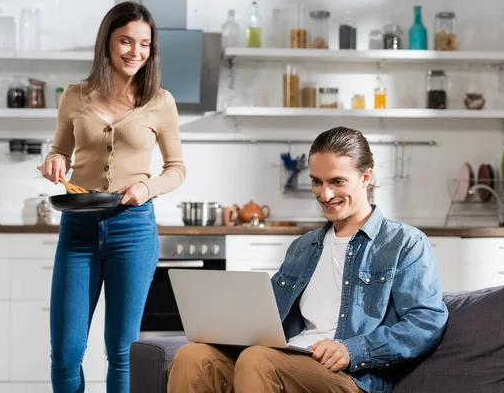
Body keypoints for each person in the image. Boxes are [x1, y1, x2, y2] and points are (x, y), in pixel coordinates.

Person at [167, 126, 447, 393]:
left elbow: (426, 322)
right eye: (317, 182)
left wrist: (352, 350)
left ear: (366, 177)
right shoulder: (303, 247)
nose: (325, 195)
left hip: (351, 376)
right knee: (193, 356)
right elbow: (269, 319)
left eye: (337, 181)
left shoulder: (404, 242)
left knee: (259, 360)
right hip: (289, 358)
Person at [40, 1, 186, 393]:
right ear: (107, 42)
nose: (135, 52)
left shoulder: (161, 102)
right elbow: (60, 150)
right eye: (125, 41)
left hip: (133, 230)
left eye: (144, 44)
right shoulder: (74, 95)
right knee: (66, 352)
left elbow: (177, 169)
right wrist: (54, 160)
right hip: (78, 231)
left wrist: (146, 188)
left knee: (122, 352)